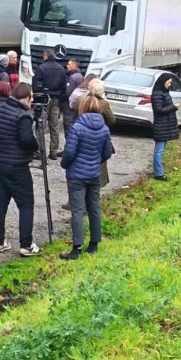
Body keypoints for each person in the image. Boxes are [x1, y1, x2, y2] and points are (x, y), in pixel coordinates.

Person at [0, 82, 41, 256]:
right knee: (26, 205)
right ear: (25, 97)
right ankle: (26, 244)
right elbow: (26, 139)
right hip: (17, 166)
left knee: (0, 203)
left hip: (0, 164)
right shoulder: (22, 116)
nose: (32, 101)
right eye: (31, 97)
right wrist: (35, 146)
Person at [59, 94, 113, 260]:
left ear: (82, 108)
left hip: (77, 175)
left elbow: (69, 152)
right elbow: (107, 152)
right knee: (94, 208)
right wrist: (96, 162)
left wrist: (65, 164)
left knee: (77, 210)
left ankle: (76, 248)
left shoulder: (77, 127)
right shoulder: (104, 129)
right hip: (94, 173)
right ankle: (94, 244)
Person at [32, 50, 67, 160]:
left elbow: (35, 85)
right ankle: (53, 152)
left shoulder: (41, 68)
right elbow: (64, 87)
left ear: (45, 56)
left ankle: (40, 152)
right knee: (54, 127)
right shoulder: (61, 68)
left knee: (41, 126)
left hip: (43, 100)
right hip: (56, 100)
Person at [151, 73, 180, 181]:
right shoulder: (157, 94)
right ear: (163, 81)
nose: (170, 84)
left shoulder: (164, 93)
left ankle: (159, 171)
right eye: (169, 82)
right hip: (161, 126)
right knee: (158, 151)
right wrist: (173, 107)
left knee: (160, 150)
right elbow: (159, 110)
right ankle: (158, 174)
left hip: (165, 126)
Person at [61, 60, 85, 140]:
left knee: (68, 127)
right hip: (77, 106)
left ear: (74, 66)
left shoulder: (72, 77)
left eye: (69, 64)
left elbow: (68, 93)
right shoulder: (80, 76)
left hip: (69, 107)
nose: (67, 66)